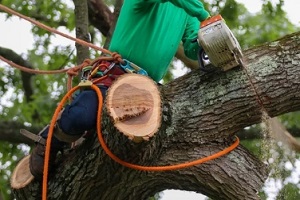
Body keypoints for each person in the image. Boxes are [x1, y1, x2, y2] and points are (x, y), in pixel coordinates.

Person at [29, 0, 210, 180]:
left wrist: (209, 38)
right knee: (82, 115)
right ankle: (50, 140)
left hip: (146, 86)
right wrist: (206, 17)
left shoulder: (188, 11)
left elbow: (192, 46)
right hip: (114, 75)